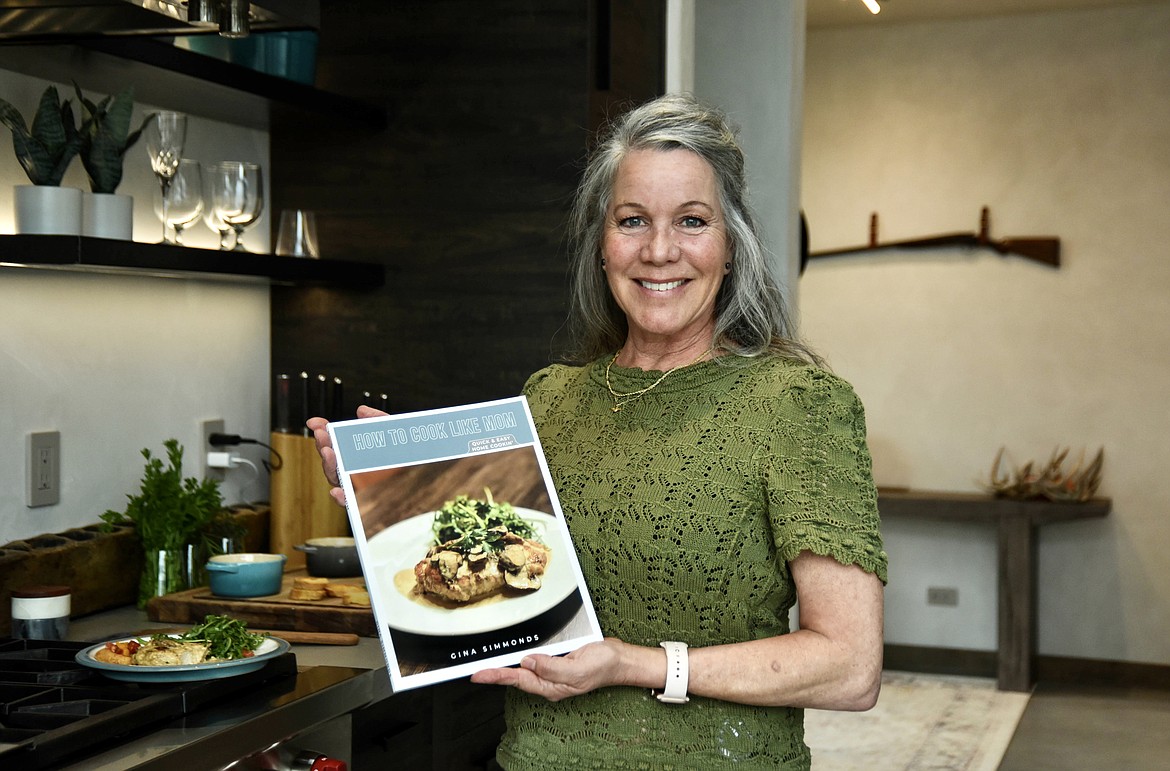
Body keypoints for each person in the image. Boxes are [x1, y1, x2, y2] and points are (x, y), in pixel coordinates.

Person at [309, 93, 886, 770]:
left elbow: (850, 666)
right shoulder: (548, 398)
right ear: (602, 246)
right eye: (632, 220)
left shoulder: (801, 405)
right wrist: (395, 495)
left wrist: (635, 664)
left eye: (692, 221)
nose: (660, 250)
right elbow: (506, 591)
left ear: (731, 246)